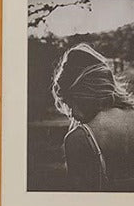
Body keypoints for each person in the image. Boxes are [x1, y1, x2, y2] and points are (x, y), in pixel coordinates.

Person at [52, 43, 134, 191]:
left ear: (83, 95)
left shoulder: (79, 138)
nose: (72, 114)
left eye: (70, 104)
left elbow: (81, 204)